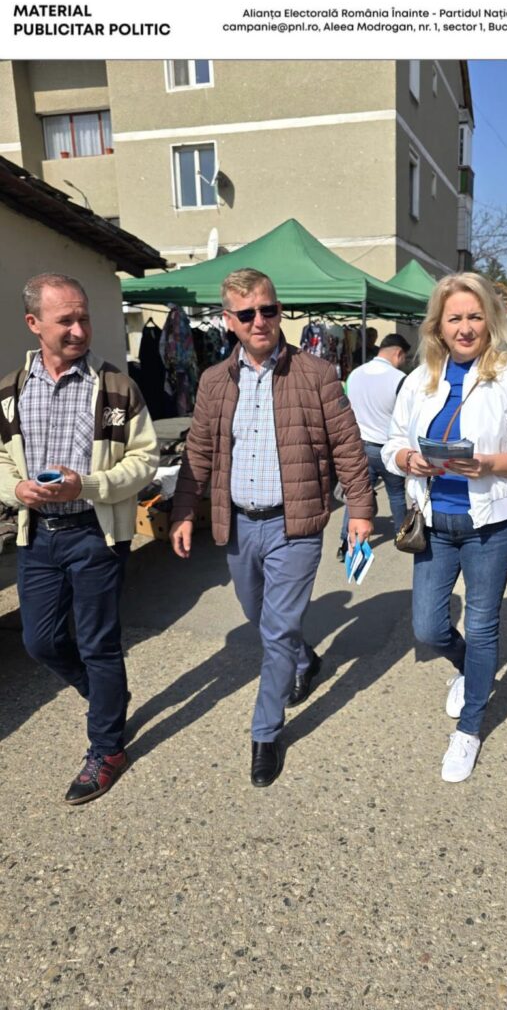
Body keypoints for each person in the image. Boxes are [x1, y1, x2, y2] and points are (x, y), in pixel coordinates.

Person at [169, 269, 374, 788]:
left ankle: (265, 733)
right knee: (258, 615)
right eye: (247, 314)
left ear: (278, 311)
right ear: (228, 321)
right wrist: (184, 510)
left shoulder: (317, 373)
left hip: (295, 524)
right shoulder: (214, 380)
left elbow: (347, 445)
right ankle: (306, 659)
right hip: (239, 525)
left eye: (268, 309)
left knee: (277, 630)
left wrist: (361, 509)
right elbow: (198, 451)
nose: (259, 321)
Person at [383, 272, 507, 782]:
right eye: (454, 318)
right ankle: (470, 671)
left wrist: (489, 464)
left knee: (482, 625)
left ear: (490, 321)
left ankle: (469, 728)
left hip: (492, 527)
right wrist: (408, 459)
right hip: (433, 523)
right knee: (428, 627)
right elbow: (392, 443)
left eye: (474, 317)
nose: (465, 328)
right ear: (437, 326)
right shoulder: (419, 379)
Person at [0, 273, 159, 804]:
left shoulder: (116, 386)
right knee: (39, 641)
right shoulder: (9, 391)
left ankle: (107, 748)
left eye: (83, 318)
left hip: (95, 532)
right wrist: (16, 489)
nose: (78, 329)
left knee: (98, 643)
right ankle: (107, 699)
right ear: (34, 323)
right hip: (37, 535)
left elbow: (145, 459)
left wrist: (87, 485)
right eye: (65, 320)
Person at [336, 332, 411, 561]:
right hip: (387, 448)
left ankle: (346, 543)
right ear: (398, 353)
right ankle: (402, 537)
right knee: (396, 494)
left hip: (359, 447)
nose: (404, 362)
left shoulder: (355, 374)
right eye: (405, 358)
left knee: (357, 497)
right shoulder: (400, 379)